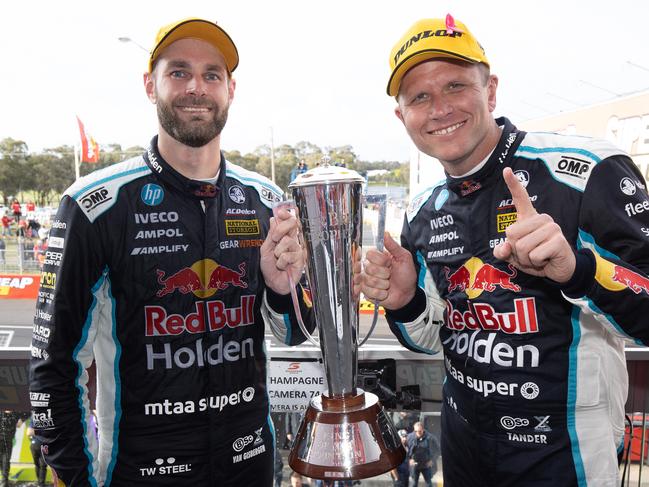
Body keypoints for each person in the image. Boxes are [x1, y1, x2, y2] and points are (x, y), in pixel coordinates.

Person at [362, 14, 649, 487]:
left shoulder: (587, 171)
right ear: (403, 117)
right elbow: (436, 341)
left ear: (490, 91)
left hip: (566, 452)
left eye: (455, 86)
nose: (439, 108)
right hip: (463, 448)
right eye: (420, 97)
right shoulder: (422, 210)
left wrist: (577, 270)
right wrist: (406, 302)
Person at [29, 17, 313, 487]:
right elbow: (52, 366)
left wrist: (284, 291)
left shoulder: (265, 200)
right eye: (178, 72)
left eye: (211, 75)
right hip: (139, 472)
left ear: (230, 89)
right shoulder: (94, 205)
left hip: (250, 466)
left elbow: (297, 335)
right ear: (150, 85)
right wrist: (77, 478)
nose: (196, 88)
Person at [406, 422, 439, 487]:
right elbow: (404, 449)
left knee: (428, 483)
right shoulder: (410, 437)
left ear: (423, 429)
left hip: (426, 464)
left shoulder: (430, 437)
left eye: (419, 431)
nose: (417, 433)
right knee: (414, 484)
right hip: (415, 465)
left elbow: (437, 449)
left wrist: (432, 460)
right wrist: (409, 460)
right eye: (415, 431)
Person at [0, 410, 26, 487]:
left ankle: (4, 481)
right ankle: (4, 481)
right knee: (4, 460)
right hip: (5, 439)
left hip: (7, 439)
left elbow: (28, 412)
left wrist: (22, 420)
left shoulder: (16, 412)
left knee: (5, 460)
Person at [27, 421, 47, 487]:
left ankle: (40, 483)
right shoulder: (48, 418)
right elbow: (29, 432)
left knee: (38, 464)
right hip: (43, 444)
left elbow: (29, 433)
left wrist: (33, 439)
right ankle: (41, 484)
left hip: (34, 443)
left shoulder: (34, 417)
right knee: (42, 465)